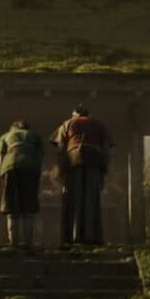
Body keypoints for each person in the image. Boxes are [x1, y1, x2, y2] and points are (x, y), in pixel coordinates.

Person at [51, 104, 113, 247]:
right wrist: (103, 171)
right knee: (92, 199)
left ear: (74, 114)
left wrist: (61, 169)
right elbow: (106, 150)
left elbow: (60, 149)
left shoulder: (68, 123)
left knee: (74, 198)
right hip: (94, 162)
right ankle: (92, 237)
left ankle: (72, 237)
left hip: (74, 161)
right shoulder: (99, 125)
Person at [0, 119, 45, 248]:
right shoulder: (35, 135)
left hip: (10, 167)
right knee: (28, 207)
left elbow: (0, 157)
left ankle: (13, 242)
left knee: (11, 207)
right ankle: (28, 242)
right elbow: (40, 156)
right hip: (30, 167)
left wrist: (3, 173)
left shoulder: (5, 136)